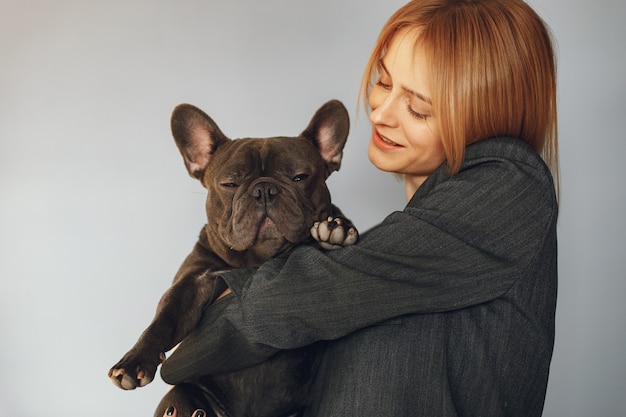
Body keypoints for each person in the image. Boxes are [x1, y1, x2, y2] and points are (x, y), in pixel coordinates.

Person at [160, 0, 559, 416]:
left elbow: (294, 299)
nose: (380, 113)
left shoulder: (509, 184)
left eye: (418, 107)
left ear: (482, 117)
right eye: (384, 83)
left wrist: (185, 328)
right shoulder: (370, 255)